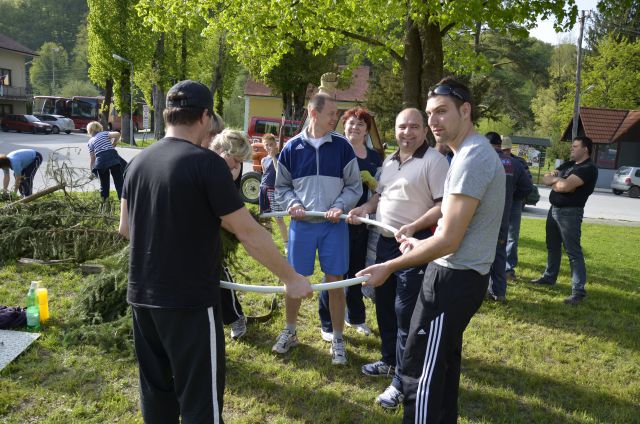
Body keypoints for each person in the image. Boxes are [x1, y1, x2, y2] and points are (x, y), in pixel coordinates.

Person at [118, 80, 312, 423]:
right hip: (189, 303)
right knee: (200, 405)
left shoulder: (138, 162)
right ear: (206, 116)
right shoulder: (206, 163)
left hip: (141, 299)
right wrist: (291, 278)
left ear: (167, 115)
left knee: (156, 396)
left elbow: (126, 229)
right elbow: (248, 232)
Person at [356, 78, 505, 423]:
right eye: (430, 113)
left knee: (419, 371)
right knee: (443, 367)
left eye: (442, 112)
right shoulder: (466, 154)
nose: (434, 121)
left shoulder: (471, 159)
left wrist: (390, 266)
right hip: (455, 274)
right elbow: (455, 228)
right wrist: (423, 242)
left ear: (465, 111)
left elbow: (450, 240)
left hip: (452, 280)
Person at [348, 108, 448, 409]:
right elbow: (382, 195)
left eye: (414, 127)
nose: (408, 132)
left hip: (414, 247)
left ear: (424, 131)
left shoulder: (434, 162)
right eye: (402, 127)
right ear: (395, 130)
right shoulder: (389, 161)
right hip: (385, 245)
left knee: (407, 314)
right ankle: (390, 361)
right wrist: (364, 209)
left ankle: (401, 383)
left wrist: (415, 227)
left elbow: (443, 206)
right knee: (385, 307)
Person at [273, 93, 362, 365]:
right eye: (331, 113)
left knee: (335, 282)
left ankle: (337, 338)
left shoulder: (343, 147)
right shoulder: (292, 148)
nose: (336, 118)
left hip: (333, 226)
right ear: (314, 113)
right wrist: (293, 204)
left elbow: (354, 186)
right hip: (302, 226)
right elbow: (282, 187)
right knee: (294, 281)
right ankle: (290, 331)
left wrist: (340, 206)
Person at [317, 107, 382, 341]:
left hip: (361, 222)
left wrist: (374, 186)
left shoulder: (374, 157)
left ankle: (355, 318)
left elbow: (381, 191)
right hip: (336, 220)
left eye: (361, 124)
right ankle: (326, 322)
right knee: (334, 273)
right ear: (343, 126)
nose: (355, 127)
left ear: (367, 130)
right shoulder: (334, 149)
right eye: (351, 123)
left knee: (357, 271)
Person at [530, 136, 598, 305]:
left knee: (573, 252)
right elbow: (546, 178)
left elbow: (565, 187)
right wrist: (558, 181)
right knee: (552, 246)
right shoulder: (568, 165)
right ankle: (549, 277)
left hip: (570, 213)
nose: (571, 149)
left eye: (575, 146)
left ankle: (578, 291)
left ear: (585, 149)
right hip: (553, 210)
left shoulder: (588, 168)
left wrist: (559, 182)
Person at [209, 129, 254, 340]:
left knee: (217, 268)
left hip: (220, 222)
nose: (237, 166)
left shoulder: (227, 169)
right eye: (235, 160)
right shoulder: (206, 163)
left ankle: (235, 316)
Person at [485, 132, 532, 302]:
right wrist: (512, 198)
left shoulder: (483, 160)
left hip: (482, 217)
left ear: (487, 144)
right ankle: (499, 292)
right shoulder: (514, 163)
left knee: (480, 253)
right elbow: (527, 187)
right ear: (500, 145)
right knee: (499, 253)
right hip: (503, 215)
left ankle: (479, 292)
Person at [501, 136, 533, 281]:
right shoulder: (494, 159)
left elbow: (528, 184)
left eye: (506, 149)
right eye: (502, 149)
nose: (504, 152)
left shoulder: (519, 163)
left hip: (513, 203)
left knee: (512, 237)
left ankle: (508, 269)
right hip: (502, 202)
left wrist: (514, 197)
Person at [259, 133, 289, 254]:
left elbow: (279, 173)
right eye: (267, 145)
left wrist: (273, 157)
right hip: (264, 190)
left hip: (274, 191)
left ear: (275, 144)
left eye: (271, 144)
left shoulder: (280, 157)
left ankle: (286, 243)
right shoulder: (263, 159)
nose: (269, 147)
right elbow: (265, 174)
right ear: (264, 146)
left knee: (279, 219)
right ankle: (268, 243)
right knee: (265, 218)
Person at [86, 121, 124, 201]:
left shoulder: (90, 141)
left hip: (101, 161)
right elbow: (117, 134)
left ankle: (104, 201)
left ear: (90, 130)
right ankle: (122, 201)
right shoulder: (104, 134)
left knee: (104, 184)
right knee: (119, 182)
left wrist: (91, 171)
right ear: (100, 128)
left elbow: (92, 158)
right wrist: (113, 144)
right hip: (113, 158)